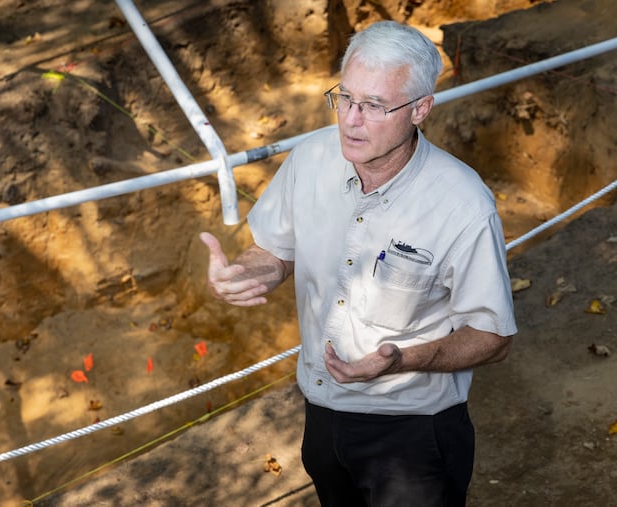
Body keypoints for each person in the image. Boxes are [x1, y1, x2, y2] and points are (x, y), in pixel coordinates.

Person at [200, 20, 517, 507]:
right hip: (321, 414)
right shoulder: (308, 161)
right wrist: (245, 273)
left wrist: (401, 360)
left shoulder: (464, 206)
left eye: (373, 106)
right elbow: (274, 250)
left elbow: (493, 338)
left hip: (414, 433)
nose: (350, 120)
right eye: (345, 97)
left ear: (420, 109)